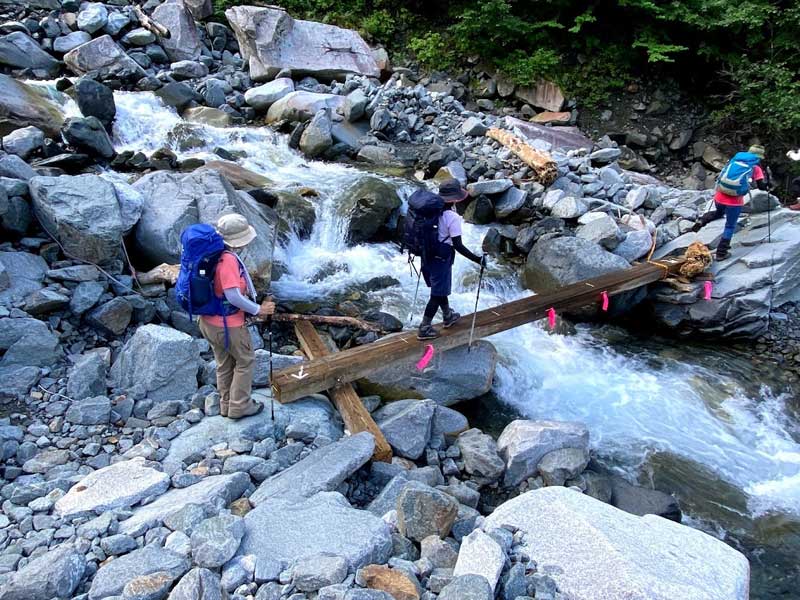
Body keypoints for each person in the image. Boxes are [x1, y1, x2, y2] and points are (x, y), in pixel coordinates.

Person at [198, 213, 274, 419]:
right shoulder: (228, 260)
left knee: (224, 363)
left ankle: (226, 404)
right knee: (245, 361)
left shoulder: (210, 253)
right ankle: (240, 406)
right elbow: (233, 296)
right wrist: (259, 310)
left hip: (208, 321)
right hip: (228, 325)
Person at [418, 179, 485, 340]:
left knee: (440, 288)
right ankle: (424, 327)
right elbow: (458, 246)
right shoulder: (453, 217)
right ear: (455, 199)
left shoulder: (430, 211)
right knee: (437, 293)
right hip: (441, 257)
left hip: (427, 255)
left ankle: (447, 315)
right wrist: (478, 259)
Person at [692, 145, 768, 260]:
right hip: (734, 202)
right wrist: (768, 183)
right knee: (730, 226)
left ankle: (702, 220)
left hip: (719, 196)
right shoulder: (755, 168)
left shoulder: (735, 160)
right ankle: (721, 253)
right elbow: (762, 187)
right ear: (759, 157)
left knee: (718, 213)